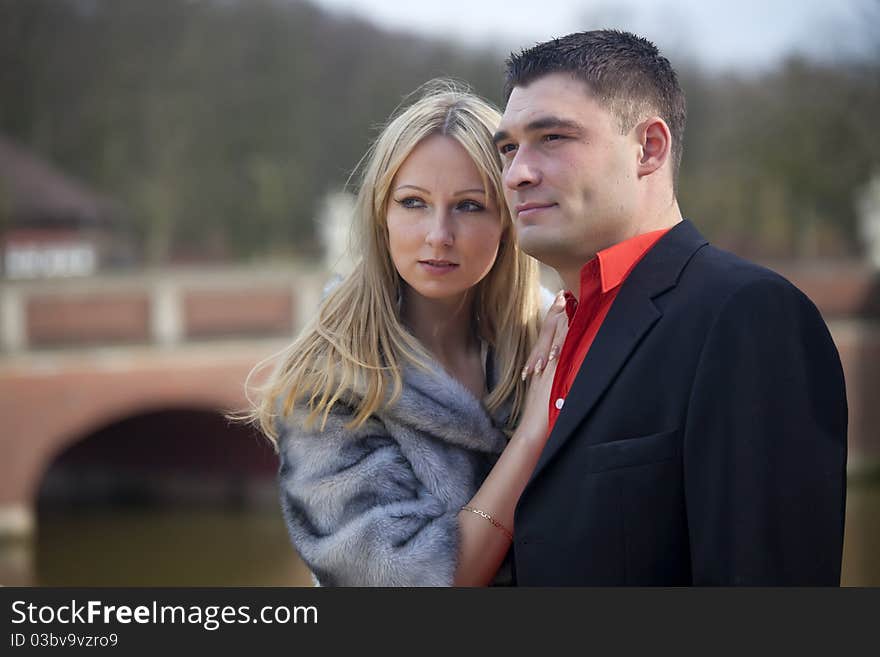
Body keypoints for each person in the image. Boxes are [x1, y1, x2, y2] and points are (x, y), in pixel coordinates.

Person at [494, 30, 848, 585]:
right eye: (508, 147)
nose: (517, 172)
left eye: (553, 137)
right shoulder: (543, 337)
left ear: (649, 149)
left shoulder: (747, 315)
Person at [245, 81, 567, 586]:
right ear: (382, 214)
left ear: (506, 219)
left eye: (469, 206)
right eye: (414, 203)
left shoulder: (551, 338)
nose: (438, 235)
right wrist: (532, 434)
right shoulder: (330, 383)